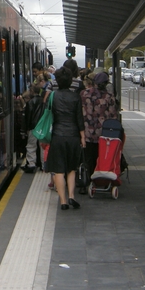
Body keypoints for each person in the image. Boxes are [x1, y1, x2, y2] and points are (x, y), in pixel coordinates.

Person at [47, 66, 86, 210]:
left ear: (57, 80)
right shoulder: (76, 96)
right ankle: (71, 196)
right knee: (71, 168)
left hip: (57, 135)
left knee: (59, 170)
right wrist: (82, 137)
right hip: (73, 136)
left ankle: (63, 201)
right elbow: (79, 119)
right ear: (70, 81)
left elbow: (48, 114)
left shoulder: (53, 96)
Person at [80, 71, 119, 192]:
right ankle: (99, 181)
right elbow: (113, 116)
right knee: (100, 157)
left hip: (86, 133)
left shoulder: (84, 94)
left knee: (87, 159)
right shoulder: (109, 97)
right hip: (103, 134)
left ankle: (85, 183)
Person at [22, 83, 45, 172]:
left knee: (31, 146)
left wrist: (27, 129)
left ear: (32, 91)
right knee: (42, 146)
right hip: (42, 127)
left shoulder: (30, 102)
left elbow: (28, 117)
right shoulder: (43, 101)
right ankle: (44, 165)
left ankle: (31, 164)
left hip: (33, 127)